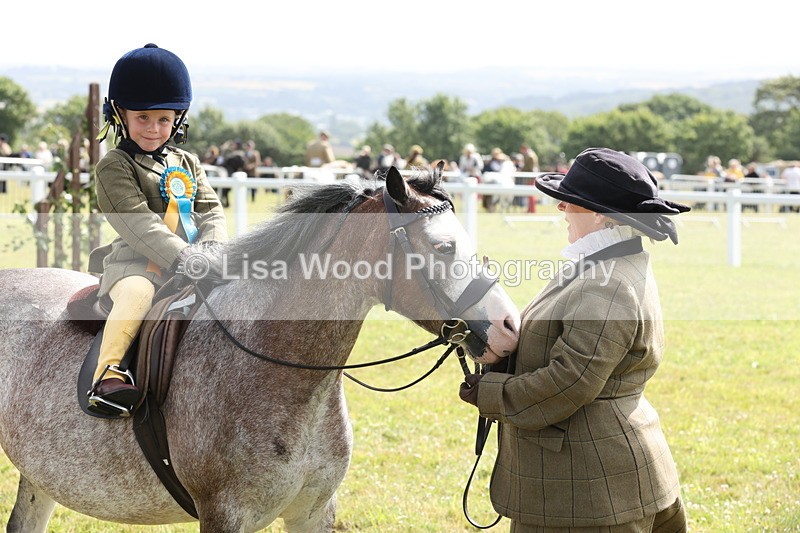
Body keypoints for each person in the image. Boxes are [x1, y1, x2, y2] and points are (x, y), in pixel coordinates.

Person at [459, 147, 690, 532]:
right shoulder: (604, 265)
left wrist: (491, 392)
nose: (561, 210)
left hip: (591, 485)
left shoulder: (607, 283)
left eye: (568, 203)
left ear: (598, 213)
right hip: (593, 475)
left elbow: (569, 382)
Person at [86, 43, 228, 416]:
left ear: (177, 120)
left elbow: (211, 210)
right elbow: (139, 223)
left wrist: (211, 252)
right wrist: (185, 257)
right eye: (144, 118)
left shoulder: (187, 162)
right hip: (137, 266)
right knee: (136, 295)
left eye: (164, 119)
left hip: (198, 261)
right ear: (121, 114)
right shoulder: (114, 166)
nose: (154, 128)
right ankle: (108, 375)